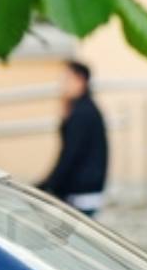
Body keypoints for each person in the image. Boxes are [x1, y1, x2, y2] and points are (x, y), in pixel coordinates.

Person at [39, 60, 109, 216]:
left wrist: (50, 184)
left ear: (80, 80)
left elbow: (70, 153)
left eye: (67, 79)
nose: (63, 85)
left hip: (82, 191)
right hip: (84, 188)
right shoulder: (82, 108)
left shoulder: (83, 112)